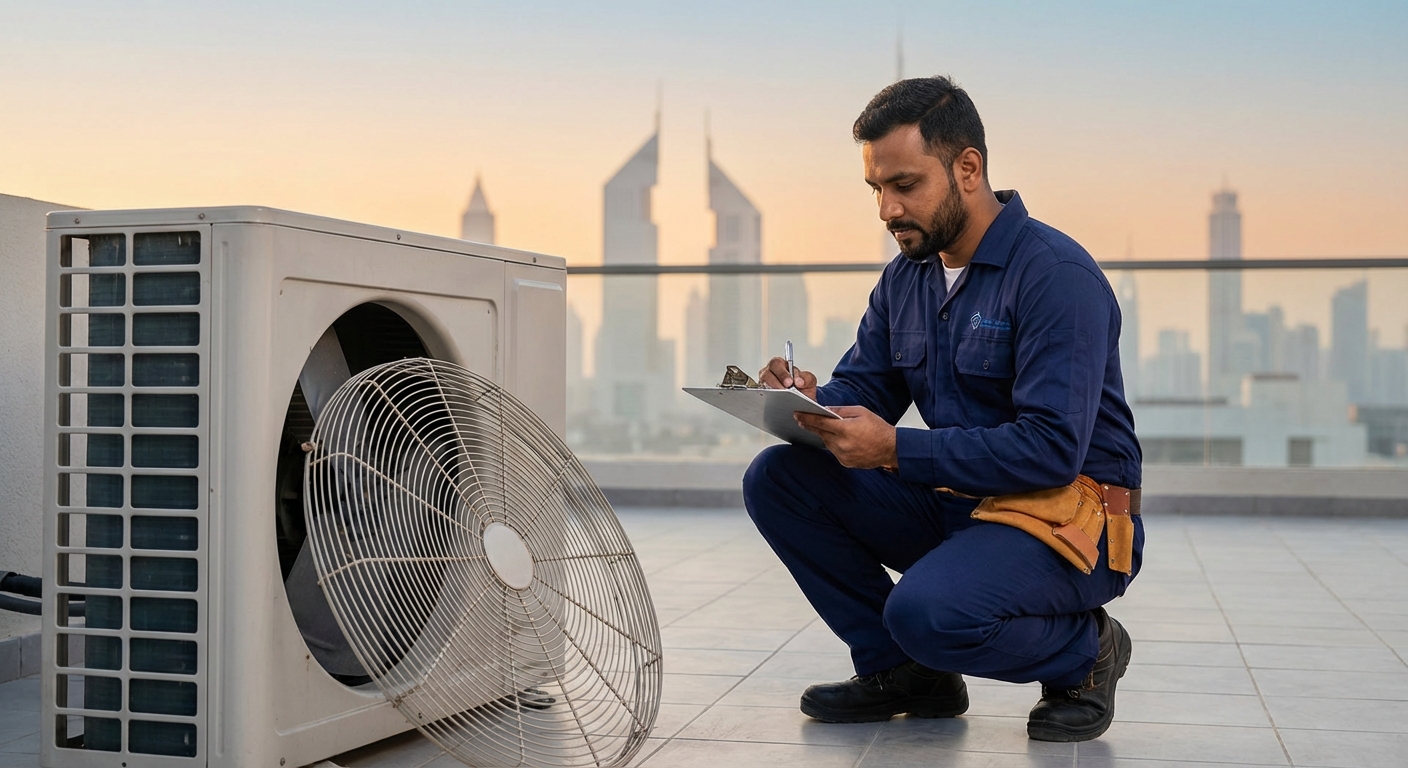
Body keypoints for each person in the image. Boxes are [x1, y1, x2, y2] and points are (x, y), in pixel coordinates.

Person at [743, 75, 1144, 743]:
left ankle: (1087, 652)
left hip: (1069, 519)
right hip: (964, 503)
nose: (887, 209)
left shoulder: (1055, 276)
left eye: (905, 185)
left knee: (926, 613)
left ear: (968, 169)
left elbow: (1051, 449)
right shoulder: (908, 276)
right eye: (876, 189)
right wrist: (807, 403)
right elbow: (865, 390)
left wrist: (897, 449)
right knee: (779, 479)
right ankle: (907, 674)